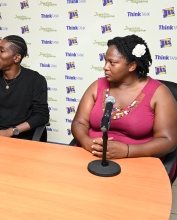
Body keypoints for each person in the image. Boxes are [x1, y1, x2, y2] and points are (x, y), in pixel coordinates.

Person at [71, 34, 177, 179]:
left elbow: (168, 141)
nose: (105, 67)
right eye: (105, 61)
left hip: (138, 162)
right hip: (90, 157)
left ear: (132, 66)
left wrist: (127, 150)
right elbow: (79, 122)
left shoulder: (159, 93)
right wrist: (86, 142)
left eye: (112, 63)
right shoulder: (98, 86)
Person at [0, 35, 49, 140]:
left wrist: (10, 131)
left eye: (2, 51)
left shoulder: (35, 80)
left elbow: (42, 116)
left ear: (16, 58)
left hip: (24, 138)